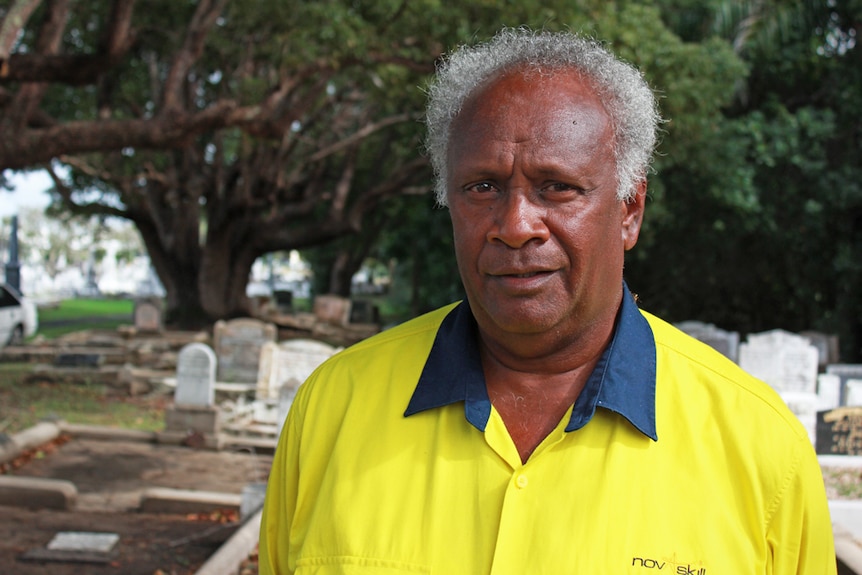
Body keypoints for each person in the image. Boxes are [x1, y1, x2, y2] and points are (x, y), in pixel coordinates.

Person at [259, 28, 836, 574]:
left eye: (557, 187)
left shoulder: (760, 447)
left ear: (630, 210)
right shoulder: (331, 410)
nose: (515, 226)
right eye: (482, 186)